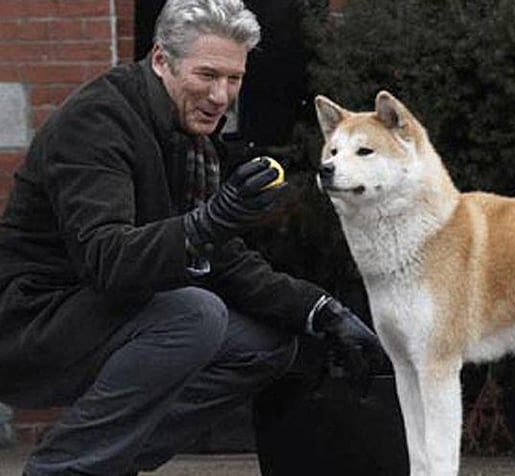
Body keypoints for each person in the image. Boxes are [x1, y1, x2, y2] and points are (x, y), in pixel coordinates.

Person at [0, 0, 381, 474]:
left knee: (266, 342)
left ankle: (109, 457)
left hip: (102, 315)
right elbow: (108, 260)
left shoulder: (189, 134)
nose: (221, 96)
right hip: (33, 324)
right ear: (162, 60)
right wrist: (209, 222)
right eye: (207, 75)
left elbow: (220, 256)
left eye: (233, 79)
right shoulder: (98, 122)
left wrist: (320, 310)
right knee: (194, 313)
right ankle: (67, 467)